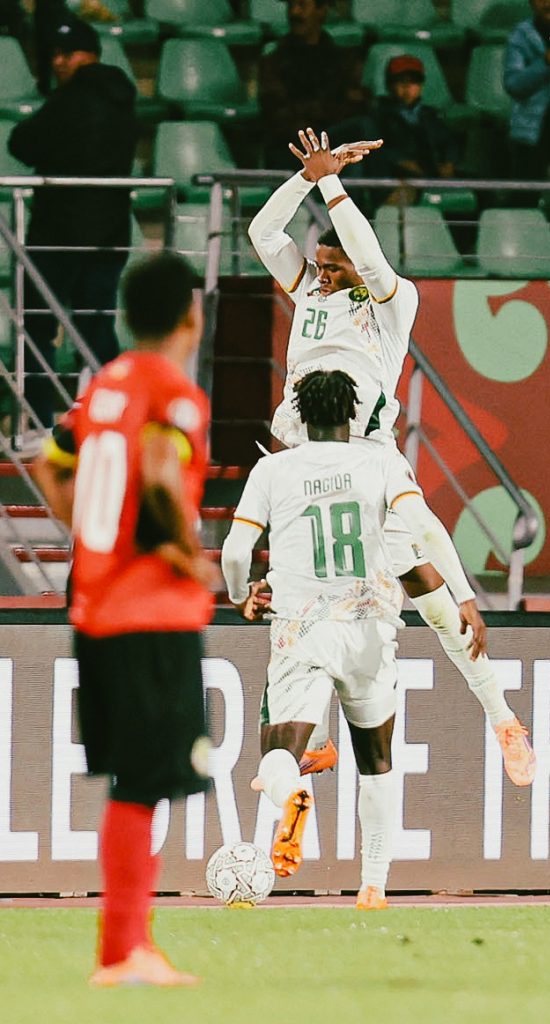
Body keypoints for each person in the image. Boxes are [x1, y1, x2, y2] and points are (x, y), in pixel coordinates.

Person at [247, 127, 536, 789]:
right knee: (294, 601)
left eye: (333, 266)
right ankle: (308, 739)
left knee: (433, 594)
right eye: (319, 266)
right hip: (303, 468)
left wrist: (331, 181)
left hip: (369, 467)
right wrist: (305, 179)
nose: (322, 274)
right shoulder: (311, 295)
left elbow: (371, 266)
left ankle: (500, 717)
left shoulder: (391, 302)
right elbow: (265, 234)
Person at [221, 369, 507, 907]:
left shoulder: (273, 469)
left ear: (300, 417)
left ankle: (294, 797)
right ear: (352, 416)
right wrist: (463, 593)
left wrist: (241, 595)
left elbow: (236, 552)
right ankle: (373, 885)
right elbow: (422, 527)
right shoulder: (381, 462)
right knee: (376, 760)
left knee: (277, 755)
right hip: (371, 627)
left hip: (302, 628)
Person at [34, 251, 216, 987]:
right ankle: (124, 951)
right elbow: (157, 467)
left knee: (131, 783)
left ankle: (126, 946)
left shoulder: (101, 387)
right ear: (191, 317)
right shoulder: (174, 392)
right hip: (154, 613)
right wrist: (183, 552)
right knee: (147, 782)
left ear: (120, 315)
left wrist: (94, 537)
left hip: (97, 606)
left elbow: (50, 465)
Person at [9, 15, 137, 439]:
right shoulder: (123, 99)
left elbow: (22, 142)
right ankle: (118, 418)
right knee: (96, 330)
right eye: (55, 55)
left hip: (59, 234)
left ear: (86, 55)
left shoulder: (70, 100)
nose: (58, 62)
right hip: (109, 235)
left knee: (37, 328)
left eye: (66, 54)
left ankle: (38, 421)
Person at [330, 54, 460, 208]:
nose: (407, 88)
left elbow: (448, 141)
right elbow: (379, 150)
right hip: (397, 175)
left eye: (413, 82)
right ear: (390, 85)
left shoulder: (430, 115)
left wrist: (449, 162)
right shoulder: (379, 114)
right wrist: (401, 162)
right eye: (400, 82)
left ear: (421, 85)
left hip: (431, 173)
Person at [257, 0, 367, 170]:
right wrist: (326, 108)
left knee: (361, 134)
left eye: (301, 5)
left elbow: (356, 102)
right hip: (294, 147)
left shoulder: (340, 60)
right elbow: (278, 115)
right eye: (291, 6)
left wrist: (317, 109)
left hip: (332, 140)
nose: (294, 13)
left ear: (321, 11)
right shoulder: (274, 61)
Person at [504, 0, 550, 188]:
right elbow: (514, 85)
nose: (549, 4)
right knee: (524, 196)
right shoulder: (520, 35)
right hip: (532, 130)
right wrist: (545, 64)